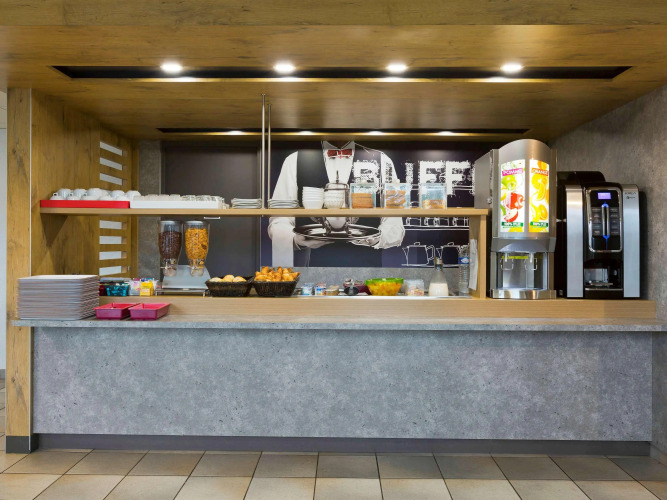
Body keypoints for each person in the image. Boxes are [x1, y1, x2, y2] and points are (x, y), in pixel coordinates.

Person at [268, 141, 405, 267]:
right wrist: (296, 240)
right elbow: (279, 220)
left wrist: (376, 238)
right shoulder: (294, 160)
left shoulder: (383, 160)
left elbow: (395, 225)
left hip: (368, 270)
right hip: (312, 271)